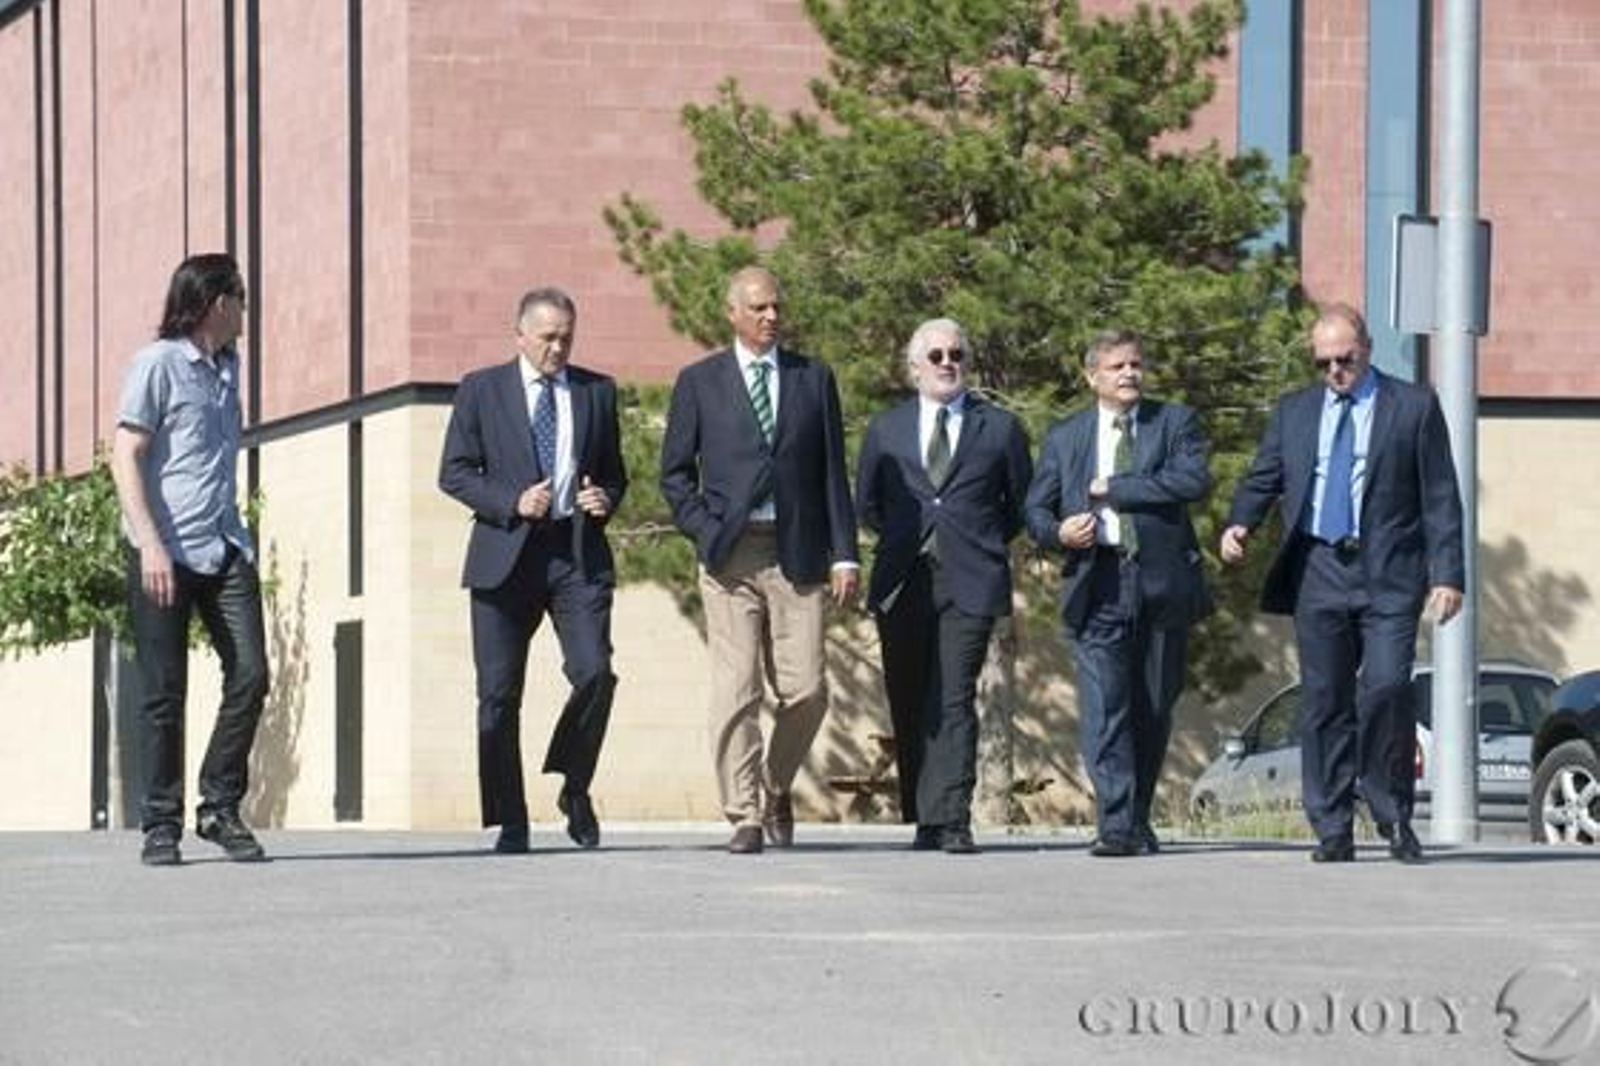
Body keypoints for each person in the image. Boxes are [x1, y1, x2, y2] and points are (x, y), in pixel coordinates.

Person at [1221, 303, 1463, 864]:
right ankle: (1331, 825)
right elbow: (1265, 475)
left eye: (1344, 359)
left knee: (1385, 689)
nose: (1334, 371)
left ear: (1368, 349)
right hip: (1319, 569)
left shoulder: (1413, 406)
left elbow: (1441, 498)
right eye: (1323, 362)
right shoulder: (1295, 412)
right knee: (1325, 700)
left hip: (1390, 574)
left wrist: (1448, 574)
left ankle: (1392, 813)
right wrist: (1240, 522)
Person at [659, 266, 859, 854]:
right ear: (732, 313)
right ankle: (744, 813)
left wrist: (845, 553)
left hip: (797, 552)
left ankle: (774, 785)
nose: (771, 317)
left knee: (808, 691)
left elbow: (831, 474)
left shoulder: (812, 378)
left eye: (776, 307)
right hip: (730, 557)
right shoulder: (699, 382)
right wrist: (703, 529)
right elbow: (674, 474)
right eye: (758, 308)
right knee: (737, 688)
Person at [439, 287, 627, 854]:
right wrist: (511, 501)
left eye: (566, 337)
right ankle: (511, 819)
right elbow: (454, 472)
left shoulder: (596, 391)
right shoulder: (482, 390)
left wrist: (605, 501)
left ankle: (575, 786)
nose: (558, 347)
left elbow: (614, 473)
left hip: (575, 553)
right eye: (547, 337)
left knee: (595, 672)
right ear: (519, 335)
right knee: (498, 696)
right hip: (504, 555)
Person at [1025, 330, 1213, 857]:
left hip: (1160, 582)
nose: (1129, 373)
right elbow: (1036, 509)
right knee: (1105, 706)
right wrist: (1058, 533)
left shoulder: (1172, 421)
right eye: (1116, 367)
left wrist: (1118, 486)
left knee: (1153, 707)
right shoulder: (1066, 437)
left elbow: (1192, 481)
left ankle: (1136, 817)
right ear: (1092, 378)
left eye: (1135, 364)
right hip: (1098, 580)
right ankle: (1115, 825)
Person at [110, 252, 269, 867]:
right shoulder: (157, 366)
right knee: (163, 692)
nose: (246, 312)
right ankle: (160, 822)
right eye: (241, 299)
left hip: (224, 544)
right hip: (164, 551)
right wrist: (148, 540)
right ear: (216, 304)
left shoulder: (230, 368)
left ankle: (218, 806)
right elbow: (127, 455)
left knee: (252, 673)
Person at [856, 319, 1032, 854]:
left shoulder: (999, 429)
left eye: (956, 353)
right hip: (903, 580)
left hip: (970, 579)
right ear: (915, 368)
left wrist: (973, 541)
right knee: (910, 697)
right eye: (935, 355)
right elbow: (869, 504)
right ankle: (925, 816)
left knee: (953, 698)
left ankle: (954, 816)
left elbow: (1018, 507)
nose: (947, 362)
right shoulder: (886, 429)